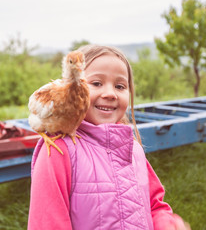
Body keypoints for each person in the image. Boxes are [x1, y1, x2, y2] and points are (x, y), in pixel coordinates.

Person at [28, 45, 191, 230]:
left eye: (120, 86)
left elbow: (154, 204)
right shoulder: (59, 151)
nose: (110, 94)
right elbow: (47, 223)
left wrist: (166, 224)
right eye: (96, 83)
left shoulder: (133, 148)